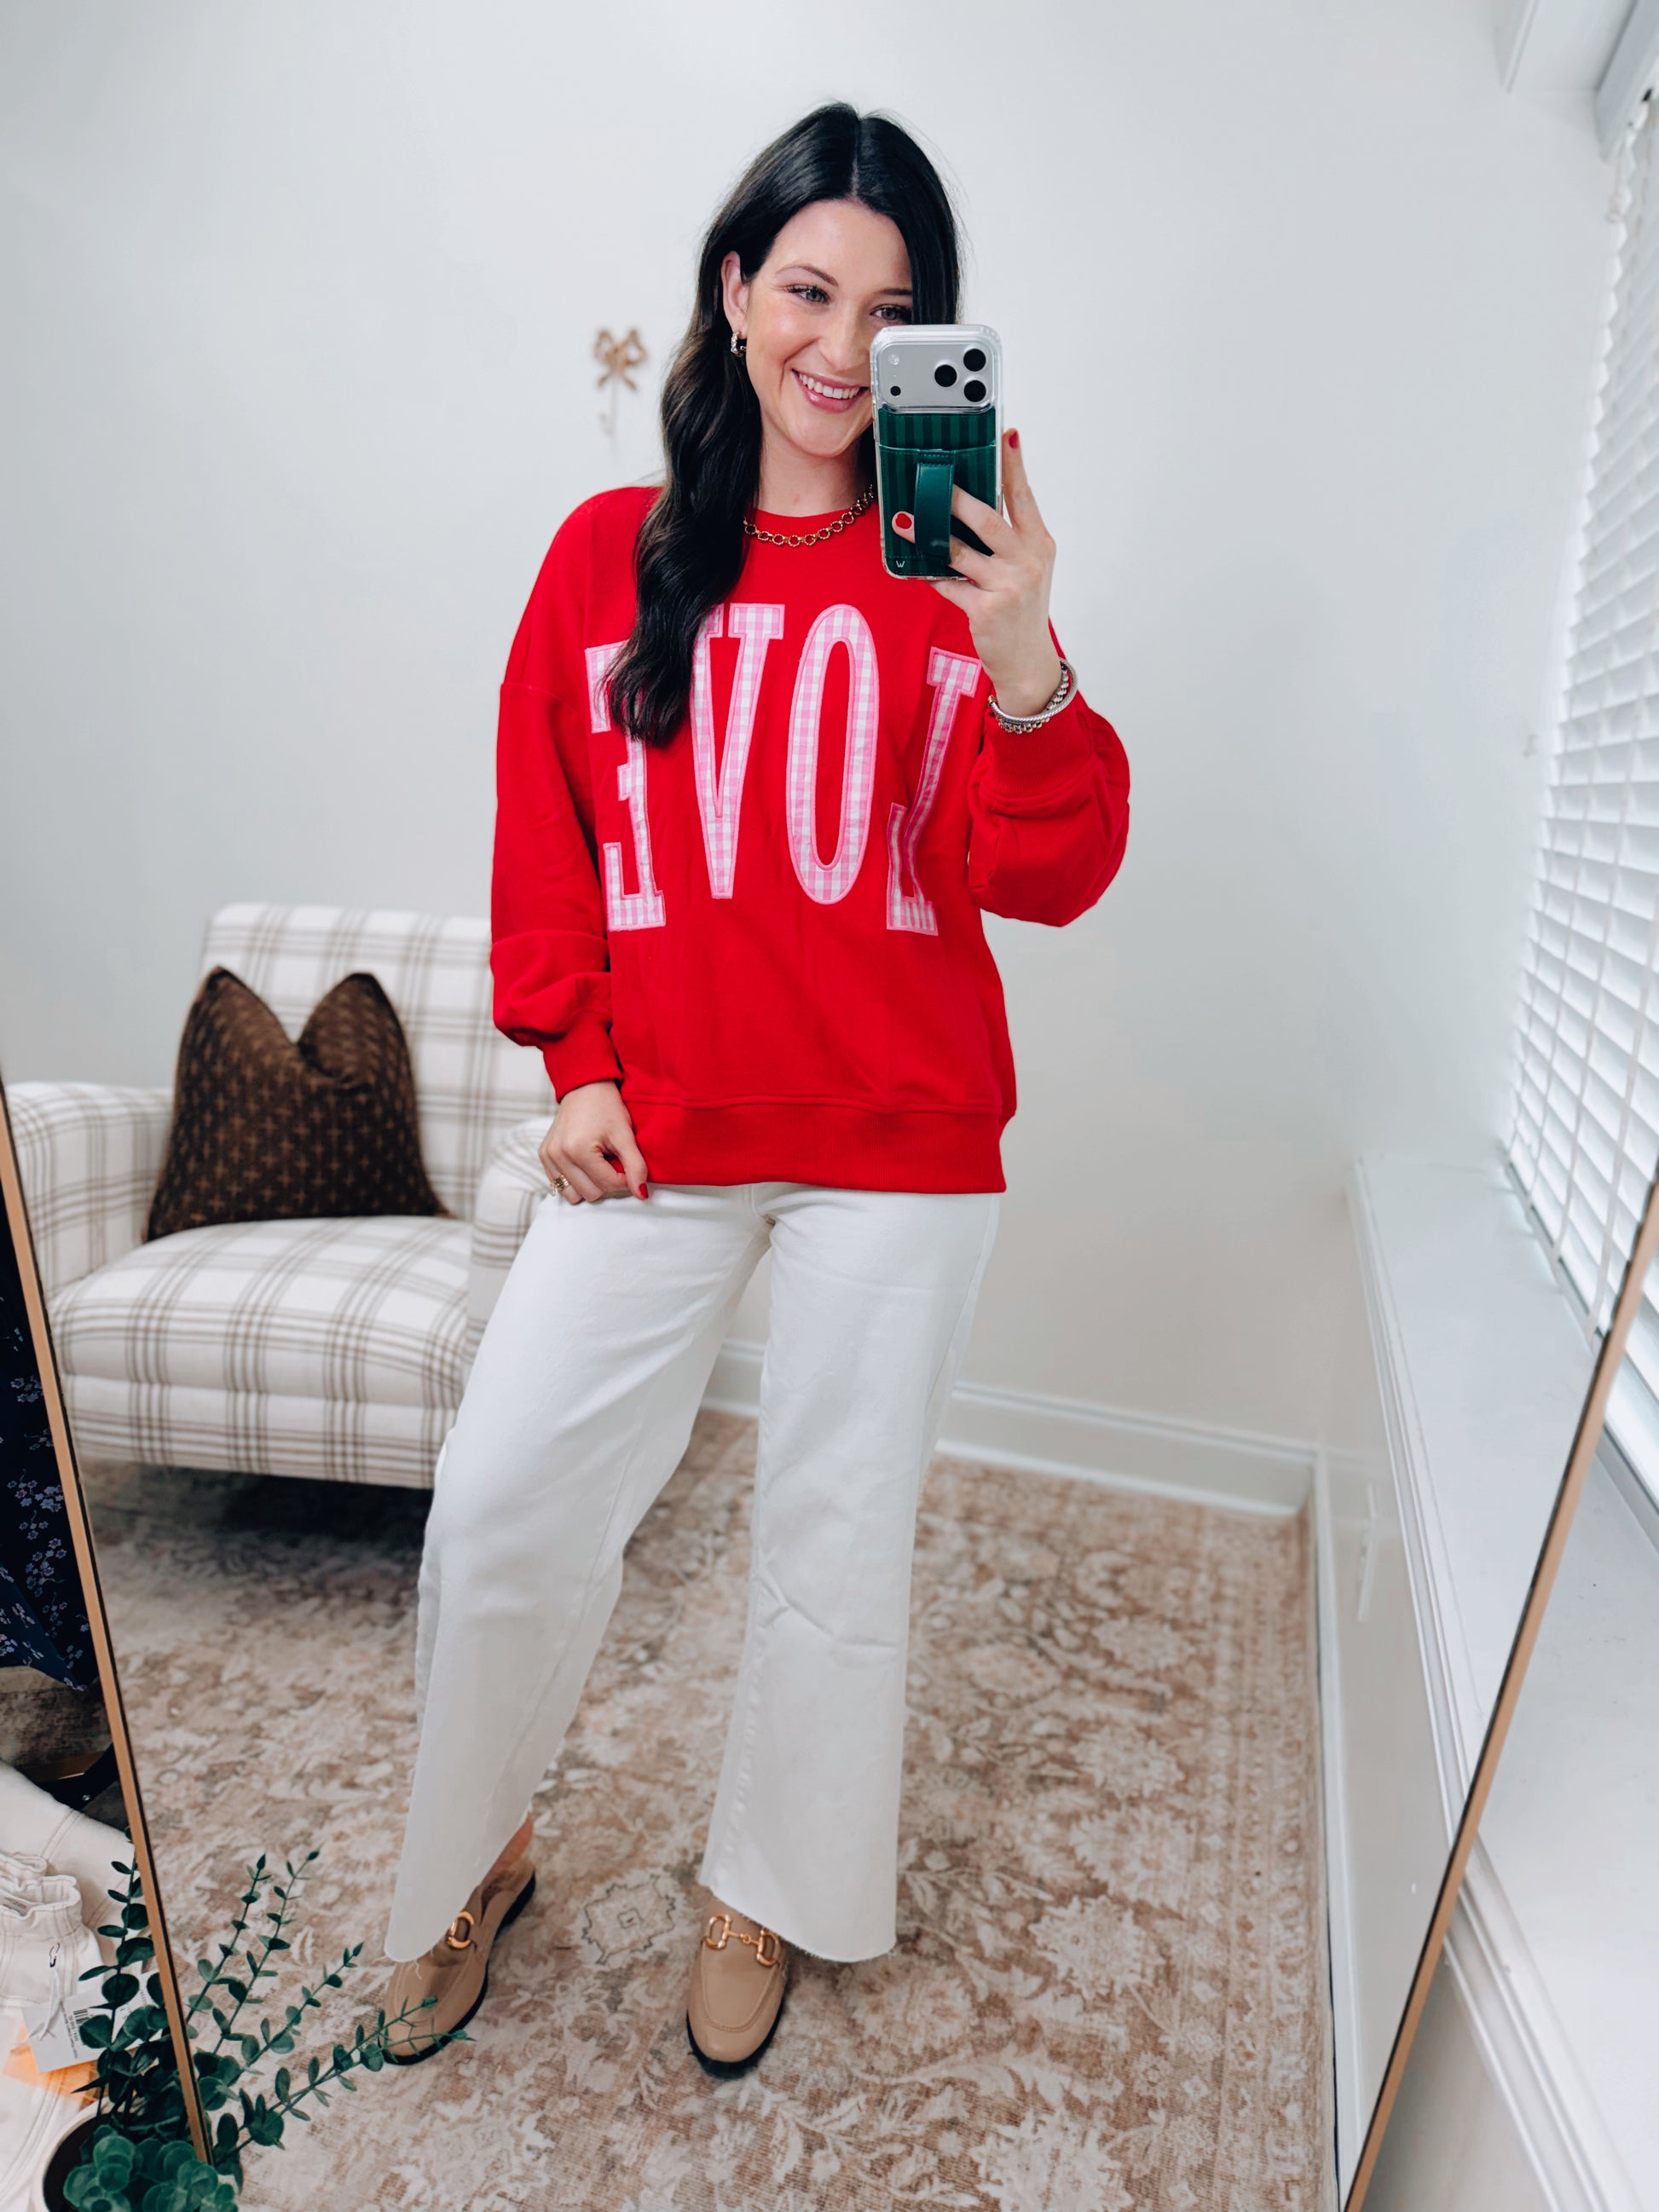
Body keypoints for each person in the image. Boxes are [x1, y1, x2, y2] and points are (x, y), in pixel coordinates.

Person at [383, 100, 1130, 2076]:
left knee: (832, 1533)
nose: (838, 344)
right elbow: (545, 834)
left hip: (902, 1135)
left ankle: (764, 1884)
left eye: (890, 312)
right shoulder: (605, 557)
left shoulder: (953, 569)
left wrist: (1023, 648)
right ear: (733, 290)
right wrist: (574, 1062)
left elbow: (1052, 871)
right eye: (807, 288)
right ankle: (474, 1852)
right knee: (507, 1495)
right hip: (661, 1128)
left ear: (929, 340)